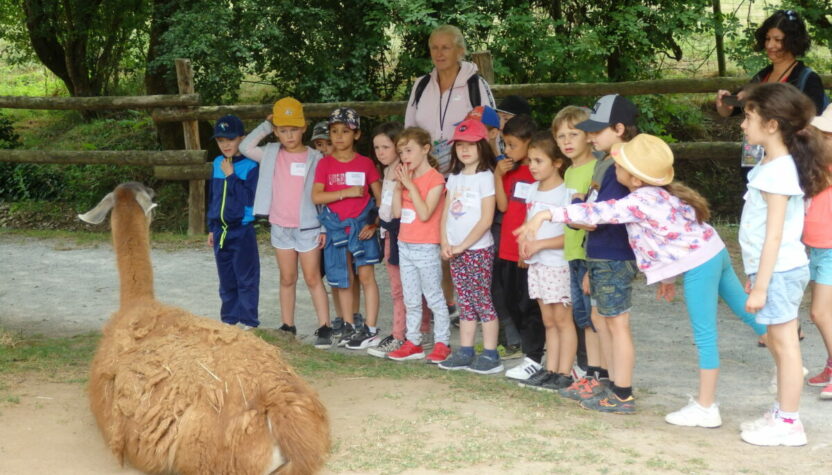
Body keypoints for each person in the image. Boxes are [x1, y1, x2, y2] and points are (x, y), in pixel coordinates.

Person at [515, 133, 768, 428]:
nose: (615, 168)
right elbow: (674, 237)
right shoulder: (661, 194)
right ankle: (787, 353)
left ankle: (706, 406)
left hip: (700, 264)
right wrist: (668, 277)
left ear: (635, 178)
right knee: (745, 309)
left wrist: (546, 214)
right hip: (714, 252)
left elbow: (597, 211)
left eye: (619, 166)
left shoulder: (639, 200)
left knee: (705, 335)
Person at [738, 83, 829, 446]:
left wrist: (761, 286)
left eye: (749, 117)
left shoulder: (778, 172)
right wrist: (755, 277)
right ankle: (781, 412)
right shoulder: (771, 164)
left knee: (785, 344)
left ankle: (790, 422)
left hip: (779, 271)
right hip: (773, 271)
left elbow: (774, 235)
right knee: (777, 341)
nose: (743, 124)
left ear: (772, 124)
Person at [567, 94, 639, 413]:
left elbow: (597, 215)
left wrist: (575, 207)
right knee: (602, 319)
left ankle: (622, 393)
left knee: (616, 323)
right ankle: (608, 382)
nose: (590, 136)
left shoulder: (621, 166)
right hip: (599, 254)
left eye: (597, 130)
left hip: (614, 254)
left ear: (619, 129)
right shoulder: (606, 162)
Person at [240, 98, 331, 347]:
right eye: (283, 130)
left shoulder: (316, 157)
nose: (289, 135)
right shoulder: (270, 153)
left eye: (294, 129)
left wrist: (324, 226)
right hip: (281, 226)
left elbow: (323, 195)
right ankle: (287, 325)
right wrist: (266, 125)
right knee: (287, 277)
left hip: (309, 227)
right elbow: (246, 146)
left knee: (312, 278)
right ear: (276, 131)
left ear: (304, 128)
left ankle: (325, 326)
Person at [716, 9, 826, 176]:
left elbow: (811, 123)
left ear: (793, 42)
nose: (769, 45)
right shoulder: (762, 76)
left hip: (789, 166)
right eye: (768, 39)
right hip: (754, 164)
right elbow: (729, 112)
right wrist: (724, 104)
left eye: (778, 40)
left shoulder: (808, 79)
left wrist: (760, 102)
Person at [312, 107, 383, 348]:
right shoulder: (325, 164)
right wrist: (346, 192)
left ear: (357, 134)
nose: (339, 136)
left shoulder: (366, 163)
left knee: (366, 276)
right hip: (337, 230)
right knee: (343, 277)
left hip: (362, 228)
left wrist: (375, 224)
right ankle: (349, 325)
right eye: (334, 131)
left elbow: (380, 198)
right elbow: (316, 196)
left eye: (345, 131)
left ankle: (370, 327)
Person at [437, 119, 501, 374]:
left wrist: (463, 245)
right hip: (455, 250)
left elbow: (486, 219)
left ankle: (491, 354)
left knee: (481, 300)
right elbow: (446, 213)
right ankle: (465, 350)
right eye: (459, 145)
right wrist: (445, 242)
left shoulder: (486, 177)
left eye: (470, 145)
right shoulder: (454, 177)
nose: (464, 150)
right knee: (464, 301)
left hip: (478, 250)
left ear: (482, 146)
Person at [515, 131, 575, 392]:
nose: (532, 166)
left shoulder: (566, 193)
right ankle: (550, 370)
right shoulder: (532, 190)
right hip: (538, 265)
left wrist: (540, 245)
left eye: (539, 161)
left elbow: (570, 238)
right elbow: (527, 224)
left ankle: (564, 372)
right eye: (530, 161)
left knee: (563, 320)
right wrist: (524, 247)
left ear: (557, 163)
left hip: (557, 265)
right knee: (548, 321)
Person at [366, 122, 432, 357]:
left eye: (386, 147)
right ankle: (411, 332)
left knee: (405, 288)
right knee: (401, 288)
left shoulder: (404, 172)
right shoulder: (387, 171)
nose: (380, 152)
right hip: (388, 233)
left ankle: (404, 335)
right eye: (376, 148)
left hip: (402, 234)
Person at [386, 127, 451, 363]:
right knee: (411, 298)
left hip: (426, 246)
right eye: (401, 152)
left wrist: (409, 185)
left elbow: (425, 213)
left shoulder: (436, 179)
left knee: (433, 297)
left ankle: (443, 342)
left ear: (425, 149)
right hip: (405, 244)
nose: (404, 157)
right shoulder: (407, 178)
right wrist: (397, 187)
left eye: (409, 150)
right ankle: (413, 342)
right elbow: (396, 213)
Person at [495, 115, 546, 381]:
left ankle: (534, 356)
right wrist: (497, 175)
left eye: (512, 145)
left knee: (529, 306)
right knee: (510, 302)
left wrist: (527, 248)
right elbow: (503, 206)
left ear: (529, 142)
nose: (507, 150)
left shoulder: (539, 174)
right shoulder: (509, 171)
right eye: (505, 144)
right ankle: (531, 352)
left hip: (526, 251)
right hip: (506, 247)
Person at [404, 24, 496, 172]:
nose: (439, 53)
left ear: (460, 50)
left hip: (465, 173)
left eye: (445, 48)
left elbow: (491, 129)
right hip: (425, 173)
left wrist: (495, 169)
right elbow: (409, 130)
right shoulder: (421, 85)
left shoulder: (475, 84)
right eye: (434, 48)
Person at [552, 105, 597, 379]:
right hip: (571, 254)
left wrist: (591, 265)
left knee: (593, 317)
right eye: (561, 136)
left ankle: (597, 371)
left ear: (589, 136)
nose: (567, 141)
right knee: (581, 315)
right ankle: (586, 368)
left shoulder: (596, 170)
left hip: (588, 254)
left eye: (573, 134)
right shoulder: (569, 172)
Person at [310, 119, 363, 338]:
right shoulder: (319, 165)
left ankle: (354, 314)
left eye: (327, 144)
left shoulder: (353, 164)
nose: (324, 149)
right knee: (335, 272)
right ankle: (341, 315)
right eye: (319, 144)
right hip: (326, 227)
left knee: (353, 273)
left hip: (349, 226)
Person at [206, 115, 260, 330]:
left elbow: (249, 198)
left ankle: (248, 321)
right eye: (221, 140)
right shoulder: (217, 163)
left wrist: (231, 177)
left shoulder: (251, 165)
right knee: (226, 278)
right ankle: (229, 320)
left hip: (242, 229)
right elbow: (214, 197)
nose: (225, 145)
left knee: (245, 278)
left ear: (242, 139)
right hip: (221, 231)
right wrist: (212, 227)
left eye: (231, 139)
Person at [805, 104, 832, 400]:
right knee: (824, 313)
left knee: (820, 312)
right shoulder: (819, 166)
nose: (820, 139)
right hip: (816, 248)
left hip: (830, 250)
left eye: (827, 135)